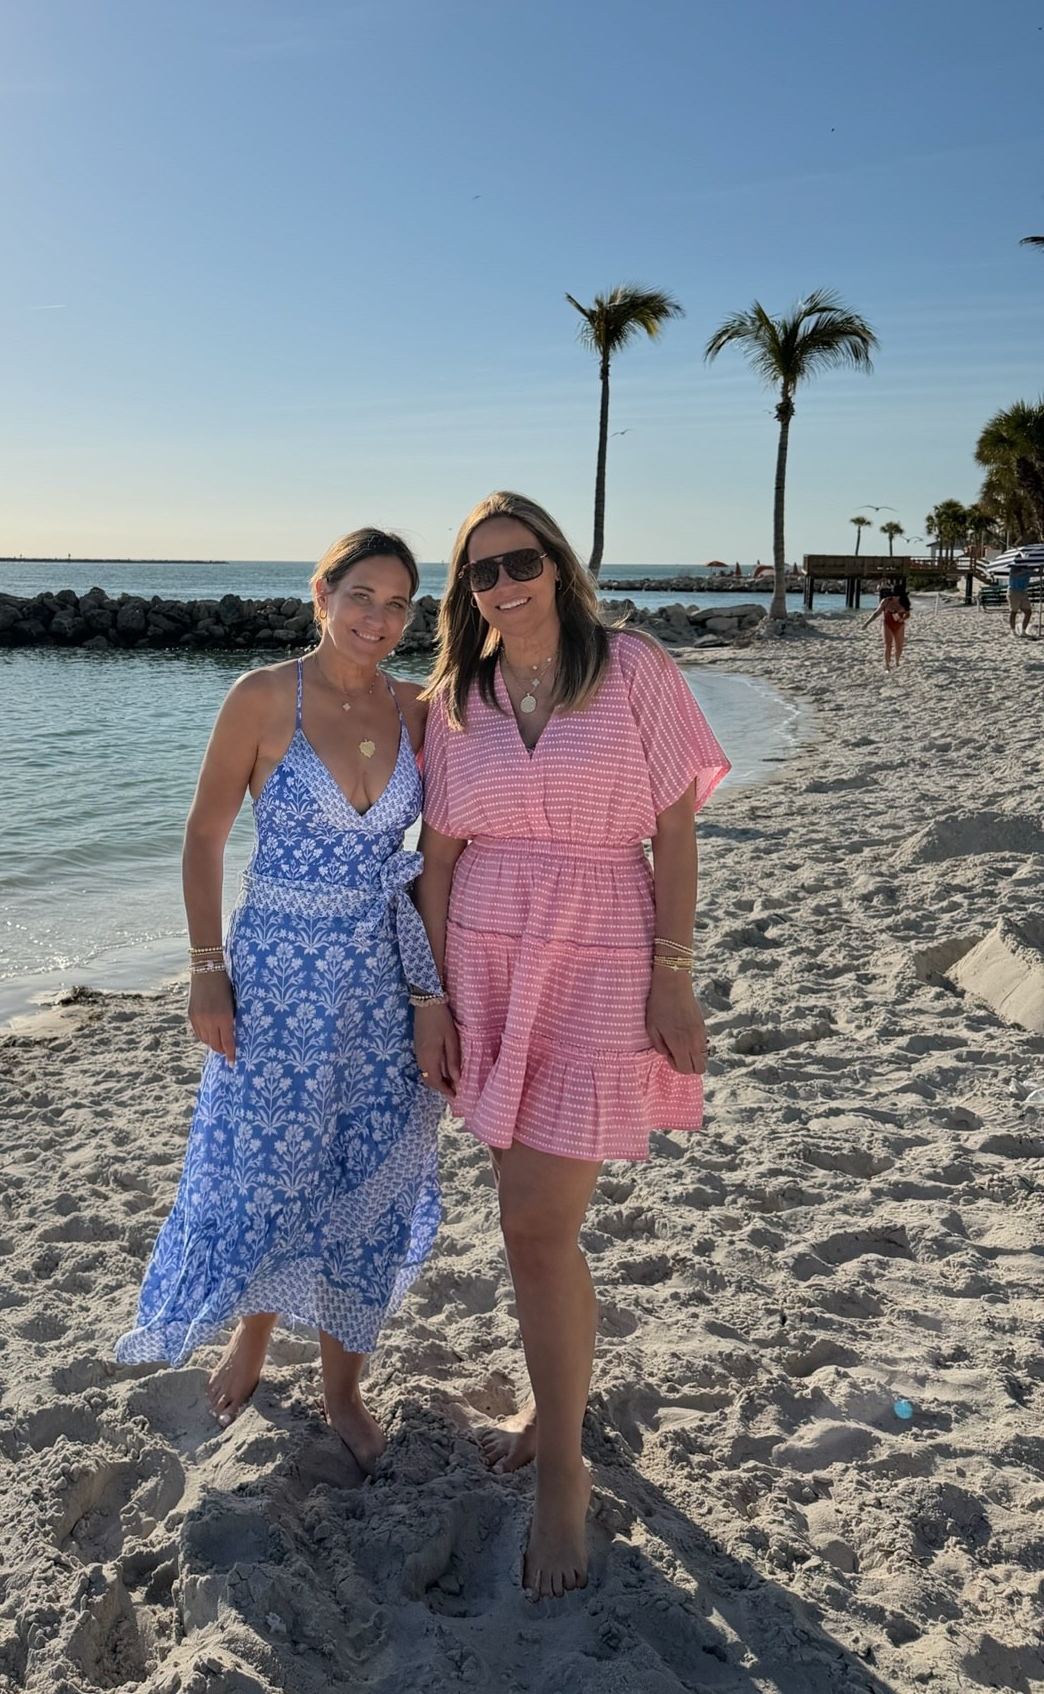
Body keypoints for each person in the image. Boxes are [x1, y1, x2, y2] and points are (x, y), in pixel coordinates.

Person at [413, 491, 728, 1599]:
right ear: (469, 594)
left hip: (601, 952)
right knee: (530, 1221)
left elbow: (677, 825)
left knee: (538, 1224)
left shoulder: (631, 665)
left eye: (520, 562)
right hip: (491, 969)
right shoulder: (459, 698)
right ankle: (557, 1404)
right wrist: (436, 996)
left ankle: (562, 1469)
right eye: (481, 573)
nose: (504, 584)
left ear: (556, 562)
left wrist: (674, 976)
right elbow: (439, 860)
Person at [115, 529, 444, 1470]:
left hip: (384, 977)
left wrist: (437, 992)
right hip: (278, 973)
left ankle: (343, 1383)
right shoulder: (263, 697)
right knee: (270, 1163)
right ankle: (251, 1337)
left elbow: (470, 831)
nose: (378, 621)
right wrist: (205, 967)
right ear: (321, 593)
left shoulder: (420, 709)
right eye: (362, 597)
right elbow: (204, 836)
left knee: (367, 1169)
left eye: (398, 605)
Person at [864, 581, 911, 667]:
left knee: (899, 647)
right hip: (887, 624)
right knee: (888, 645)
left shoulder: (904, 602)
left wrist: (903, 618)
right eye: (894, 595)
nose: (896, 598)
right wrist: (867, 623)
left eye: (898, 596)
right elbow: (876, 613)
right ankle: (887, 665)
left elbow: (907, 614)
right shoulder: (886, 601)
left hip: (899, 625)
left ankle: (896, 661)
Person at [1007, 556, 1035, 635]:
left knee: (1028, 612)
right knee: (1013, 611)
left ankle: (1023, 630)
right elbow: (1015, 575)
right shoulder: (1014, 569)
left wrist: (1040, 567)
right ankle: (1013, 630)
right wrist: (1026, 570)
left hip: (1023, 592)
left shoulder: (1027, 569)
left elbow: (1038, 573)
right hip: (1014, 591)